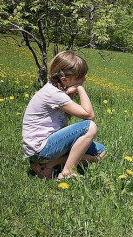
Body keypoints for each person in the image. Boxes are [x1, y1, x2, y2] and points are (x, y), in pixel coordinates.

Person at [22, 50, 106, 180]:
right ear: (64, 80)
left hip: (45, 147)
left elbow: (66, 119)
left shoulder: (56, 90)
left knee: (100, 151)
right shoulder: (53, 94)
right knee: (90, 127)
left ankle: (50, 164)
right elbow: (89, 115)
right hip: (41, 149)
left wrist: (71, 93)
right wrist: (80, 88)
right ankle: (67, 171)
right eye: (80, 77)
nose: (84, 79)